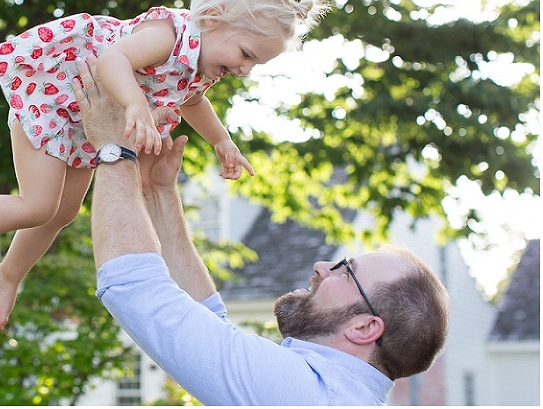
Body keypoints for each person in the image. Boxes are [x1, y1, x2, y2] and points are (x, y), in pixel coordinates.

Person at [0, 0, 328, 330]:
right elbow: (112, 61)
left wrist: (221, 140)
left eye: (256, 65)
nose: (245, 69)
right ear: (213, 18)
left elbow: (192, 99)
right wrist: (136, 105)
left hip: (89, 121)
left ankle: (8, 273)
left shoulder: (200, 66)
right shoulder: (168, 34)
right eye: (246, 54)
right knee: (37, 206)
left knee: (63, 213)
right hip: (57, 97)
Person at [73, 56, 451, 405]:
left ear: (365, 326)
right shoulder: (325, 389)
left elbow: (135, 289)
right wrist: (159, 194)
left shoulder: (304, 394)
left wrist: (113, 149)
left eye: (346, 271)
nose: (323, 266)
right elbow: (209, 328)